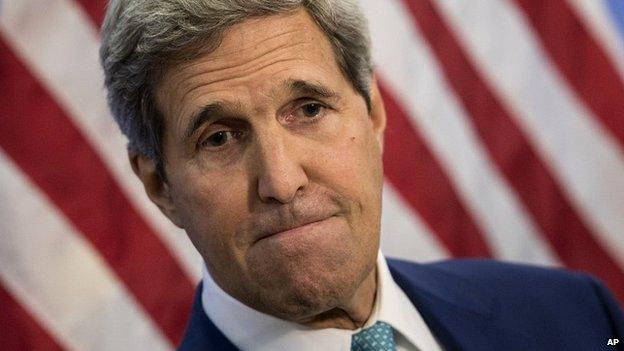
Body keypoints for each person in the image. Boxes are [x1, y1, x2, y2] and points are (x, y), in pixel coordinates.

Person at [99, 0, 624, 350]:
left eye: (307, 109)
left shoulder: (576, 316)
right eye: (218, 138)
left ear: (372, 113)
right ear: (160, 185)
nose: (282, 182)